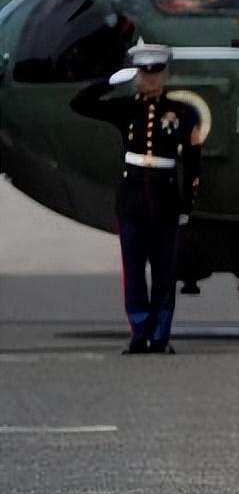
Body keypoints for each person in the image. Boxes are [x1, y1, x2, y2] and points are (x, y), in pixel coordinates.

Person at [70, 43, 202, 355]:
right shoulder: (126, 107)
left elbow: (194, 162)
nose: (150, 78)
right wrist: (110, 81)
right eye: (145, 72)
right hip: (132, 199)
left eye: (156, 72)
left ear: (166, 74)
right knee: (133, 269)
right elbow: (80, 103)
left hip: (166, 198)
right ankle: (139, 330)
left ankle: (160, 334)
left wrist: (188, 202)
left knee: (164, 271)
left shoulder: (183, 113)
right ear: (137, 75)